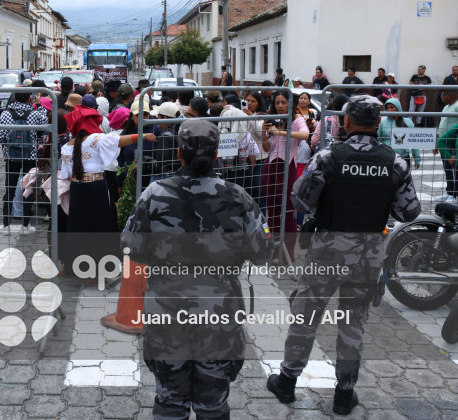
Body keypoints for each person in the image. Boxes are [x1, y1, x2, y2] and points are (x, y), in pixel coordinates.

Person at [268, 95, 420, 415]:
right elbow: (409, 213)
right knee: (353, 322)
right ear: (378, 122)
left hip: (328, 250)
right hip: (368, 253)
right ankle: (344, 394)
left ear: (347, 121)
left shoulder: (328, 157)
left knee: (306, 315)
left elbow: (301, 201)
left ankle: (287, 382)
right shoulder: (394, 162)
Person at [124, 119, 272, 420]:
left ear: (179, 152)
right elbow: (263, 251)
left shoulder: (154, 194)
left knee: (170, 401)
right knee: (212, 404)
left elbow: (131, 246)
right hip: (219, 313)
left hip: (166, 312)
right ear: (216, 154)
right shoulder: (238, 197)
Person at [61, 105, 155, 275]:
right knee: (99, 227)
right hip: (95, 189)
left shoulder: (67, 146)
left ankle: (80, 270)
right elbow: (120, 141)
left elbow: (67, 175)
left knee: (79, 228)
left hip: (77, 190)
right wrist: (142, 136)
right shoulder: (96, 139)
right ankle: (101, 270)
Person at [261, 90, 309, 264]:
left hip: (288, 168)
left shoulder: (296, 119)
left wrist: (280, 132)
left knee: (288, 212)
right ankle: (273, 250)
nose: (280, 106)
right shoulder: (273, 119)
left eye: (283, 102)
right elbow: (267, 148)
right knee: (272, 212)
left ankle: (287, 253)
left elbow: (305, 135)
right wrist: (263, 132)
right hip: (270, 167)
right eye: (277, 102)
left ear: (290, 103)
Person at [0, 91, 49, 235]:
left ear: (14, 98)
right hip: (30, 156)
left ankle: (6, 226)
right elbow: (45, 124)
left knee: (10, 190)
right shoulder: (34, 114)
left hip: (11, 156)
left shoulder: (6, 114)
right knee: (28, 188)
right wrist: (39, 105)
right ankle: (25, 226)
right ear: (30, 99)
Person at [434, 90, 458, 201]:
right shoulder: (446, 107)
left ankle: (455, 194)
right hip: (444, 142)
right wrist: (437, 142)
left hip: (452, 142)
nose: (441, 97)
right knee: (447, 169)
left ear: (450, 95)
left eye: (443, 95)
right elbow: (442, 124)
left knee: (453, 169)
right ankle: (449, 191)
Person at [378, 98, 420, 169]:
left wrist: (417, 158)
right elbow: (378, 139)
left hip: (404, 157)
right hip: (387, 158)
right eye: (387, 108)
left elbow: (413, 142)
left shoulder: (408, 122)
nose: (389, 110)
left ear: (398, 108)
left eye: (392, 107)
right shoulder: (382, 123)